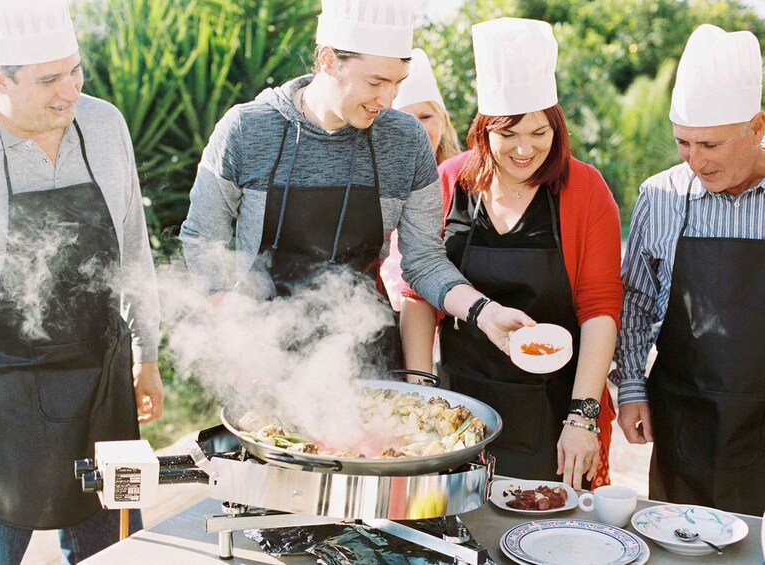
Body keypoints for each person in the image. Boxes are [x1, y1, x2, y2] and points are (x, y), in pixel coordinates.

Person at [0, 0, 164, 562]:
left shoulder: (104, 124)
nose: (69, 91)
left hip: (105, 388)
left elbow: (133, 248)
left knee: (120, 552)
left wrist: (146, 355)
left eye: (75, 70)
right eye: (48, 79)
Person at [179, 0, 534, 368]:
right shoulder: (247, 130)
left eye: (397, 83)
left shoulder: (405, 141)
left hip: (365, 351)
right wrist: (231, 330)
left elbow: (424, 261)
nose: (387, 100)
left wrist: (485, 313)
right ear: (329, 60)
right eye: (375, 82)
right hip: (263, 353)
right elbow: (203, 238)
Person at [400, 18, 622, 490]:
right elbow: (417, 291)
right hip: (459, 404)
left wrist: (583, 417)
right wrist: (420, 391)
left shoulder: (585, 190)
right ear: (484, 131)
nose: (525, 150)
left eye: (539, 133)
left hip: (559, 405)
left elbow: (600, 308)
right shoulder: (449, 180)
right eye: (508, 135)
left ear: (556, 127)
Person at [611, 24, 765, 515]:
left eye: (711, 145)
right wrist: (632, 387)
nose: (695, 160)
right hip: (686, 417)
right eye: (684, 143)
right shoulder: (661, 196)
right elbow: (634, 298)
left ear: (757, 128)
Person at [379, 47, 461, 313]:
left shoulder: (466, 183)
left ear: (444, 123)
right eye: (405, 118)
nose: (418, 129)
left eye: (426, 117)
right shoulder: (372, 188)